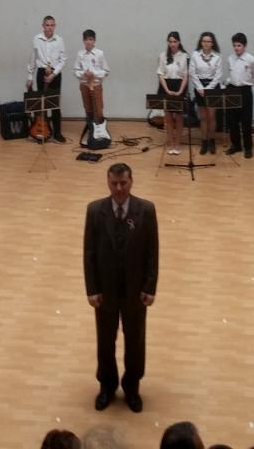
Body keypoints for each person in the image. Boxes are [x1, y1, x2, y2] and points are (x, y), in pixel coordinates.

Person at [83, 163, 159, 413]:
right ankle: (106, 386)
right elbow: (89, 253)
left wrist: (150, 286)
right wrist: (92, 289)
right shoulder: (95, 210)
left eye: (123, 183)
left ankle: (132, 387)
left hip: (135, 292)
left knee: (135, 341)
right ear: (108, 182)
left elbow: (152, 251)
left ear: (131, 182)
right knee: (105, 341)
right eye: (114, 183)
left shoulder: (146, 210)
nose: (118, 188)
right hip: (105, 293)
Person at [26, 15, 68, 143]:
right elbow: (33, 58)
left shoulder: (59, 40)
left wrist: (53, 74)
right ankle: (42, 132)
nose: (50, 28)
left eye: (52, 25)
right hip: (42, 72)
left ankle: (57, 133)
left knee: (55, 105)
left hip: (55, 73)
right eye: (47, 25)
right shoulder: (37, 39)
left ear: (55, 26)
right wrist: (30, 76)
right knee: (41, 105)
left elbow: (63, 60)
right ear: (43, 26)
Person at [223, 33, 254, 158]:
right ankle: (236, 145)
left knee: (246, 121)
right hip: (232, 90)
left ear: (244, 46)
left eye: (239, 45)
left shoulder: (251, 60)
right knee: (232, 120)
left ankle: (248, 147)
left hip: (245, 91)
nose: (236, 48)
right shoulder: (230, 58)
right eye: (234, 45)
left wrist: (247, 83)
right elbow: (231, 74)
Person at [74, 29, 110, 146]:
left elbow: (106, 71)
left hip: (96, 86)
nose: (88, 42)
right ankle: (91, 131)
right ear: (83, 41)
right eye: (86, 40)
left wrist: (94, 73)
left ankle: (101, 133)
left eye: (90, 39)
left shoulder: (100, 53)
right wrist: (84, 73)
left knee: (98, 109)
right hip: (85, 85)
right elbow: (76, 71)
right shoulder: (80, 54)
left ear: (94, 41)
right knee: (88, 109)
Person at [156, 31, 190, 156]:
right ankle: (170, 143)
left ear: (179, 42)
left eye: (175, 41)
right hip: (166, 86)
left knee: (179, 117)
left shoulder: (184, 56)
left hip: (180, 86)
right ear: (168, 42)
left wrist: (180, 91)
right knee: (168, 117)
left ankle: (177, 144)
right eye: (170, 42)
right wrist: (167, 90)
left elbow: (186, 75)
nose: (172, 44)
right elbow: (160, 74)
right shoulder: (163, 55)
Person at [189, 32, 222, 156]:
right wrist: (200, 88)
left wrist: (208, 89)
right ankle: (204, 141)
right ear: (201, 42)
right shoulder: (195, 55)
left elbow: (218, 75)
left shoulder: (217, 57)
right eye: (204, 41)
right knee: (203, 117)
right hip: (199, 88)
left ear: (212, 43)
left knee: (212, 116)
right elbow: (192, 73)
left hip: (213, 87)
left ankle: (212, 140)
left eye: (209, 41)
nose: (206, 43)